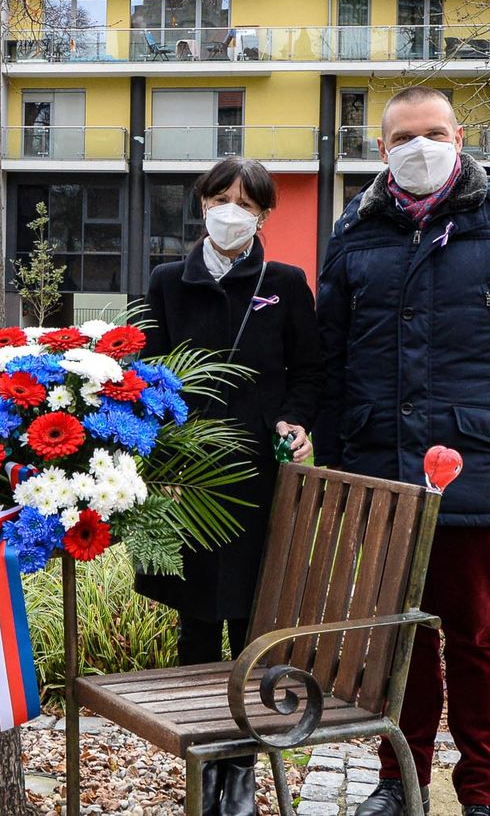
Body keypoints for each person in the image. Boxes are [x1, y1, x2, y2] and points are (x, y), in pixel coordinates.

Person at [314, 86, 490, 816]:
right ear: (381, 149)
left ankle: (484, 791)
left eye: (434, 132)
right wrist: (334, 459)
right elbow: (332, 356)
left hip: (475, 459)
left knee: (473, 632)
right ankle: (400, 780)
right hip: (378, 463)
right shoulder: (356, 229)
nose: (419, 146)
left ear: (459, 138)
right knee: (397, 636)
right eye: (404, 136)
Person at [137, 156, 324, 816]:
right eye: (220, 199)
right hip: (188, 482)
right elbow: (144, 373)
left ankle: (241, 766)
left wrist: (295, 421)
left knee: (251, 621)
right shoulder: (166, 282)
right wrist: (163, 450)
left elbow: (309, 372)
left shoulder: (286, 283)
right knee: (195, 622)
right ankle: (205, 758)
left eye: (245, 203)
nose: (231, 212)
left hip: (257, 478)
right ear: (201, 204)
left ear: (264, 214)